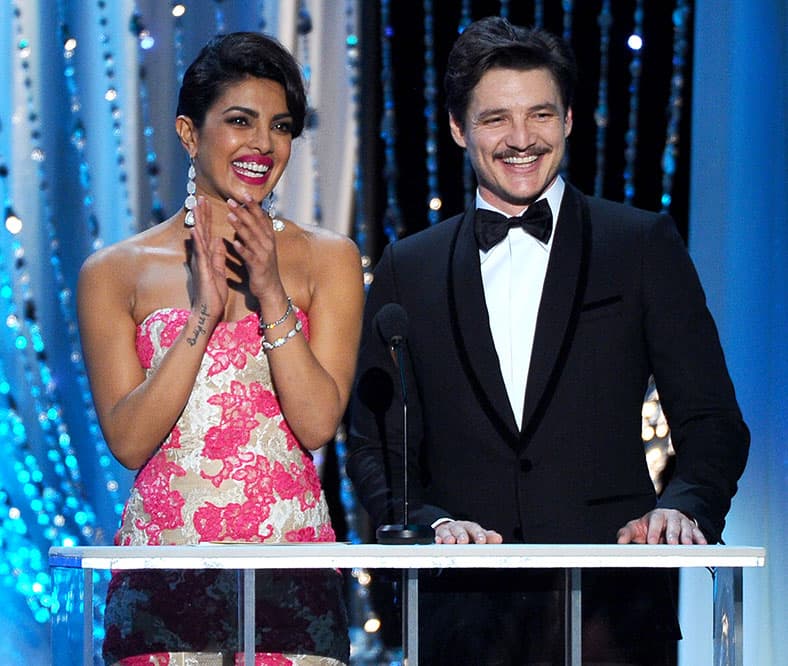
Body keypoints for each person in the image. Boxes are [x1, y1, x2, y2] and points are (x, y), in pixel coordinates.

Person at [347, 16, 749, 666]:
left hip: (612, 611)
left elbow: (713, 421)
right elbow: (375, 444)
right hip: (462, 616)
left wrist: (685, 508)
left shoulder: (639, 244)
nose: (521, 139)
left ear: (568, 120)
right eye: (495, 119)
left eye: (540, 114)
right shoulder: (408, 266)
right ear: (457, 128)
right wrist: (428, 523)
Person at [77, 31, 363, 665]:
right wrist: (202, 316)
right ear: (188, 133)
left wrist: (271, 294)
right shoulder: (115, 272)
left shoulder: (328, 259)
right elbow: (128, 441)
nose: (263, 144)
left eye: (281, 126)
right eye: (240, 121)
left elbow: (317, 424)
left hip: (289, 570)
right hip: (163, 574)